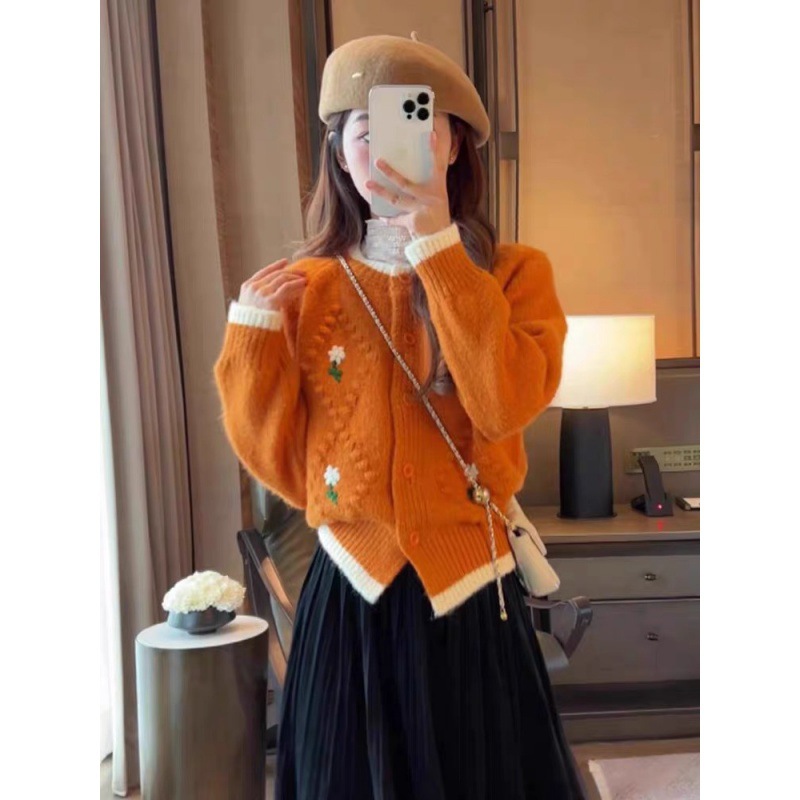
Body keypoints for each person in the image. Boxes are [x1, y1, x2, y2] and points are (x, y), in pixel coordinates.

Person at [214, 32, 587, 800]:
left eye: (418, 123)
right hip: (350, 595)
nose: (387, 148)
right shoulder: (305, 289)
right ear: (340, 155)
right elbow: (284, 467)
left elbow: (504, 404)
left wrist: (438, 247)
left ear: (452, 146)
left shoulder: (515, 273)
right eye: (365, 130)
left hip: (473, 596)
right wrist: (251, 337)